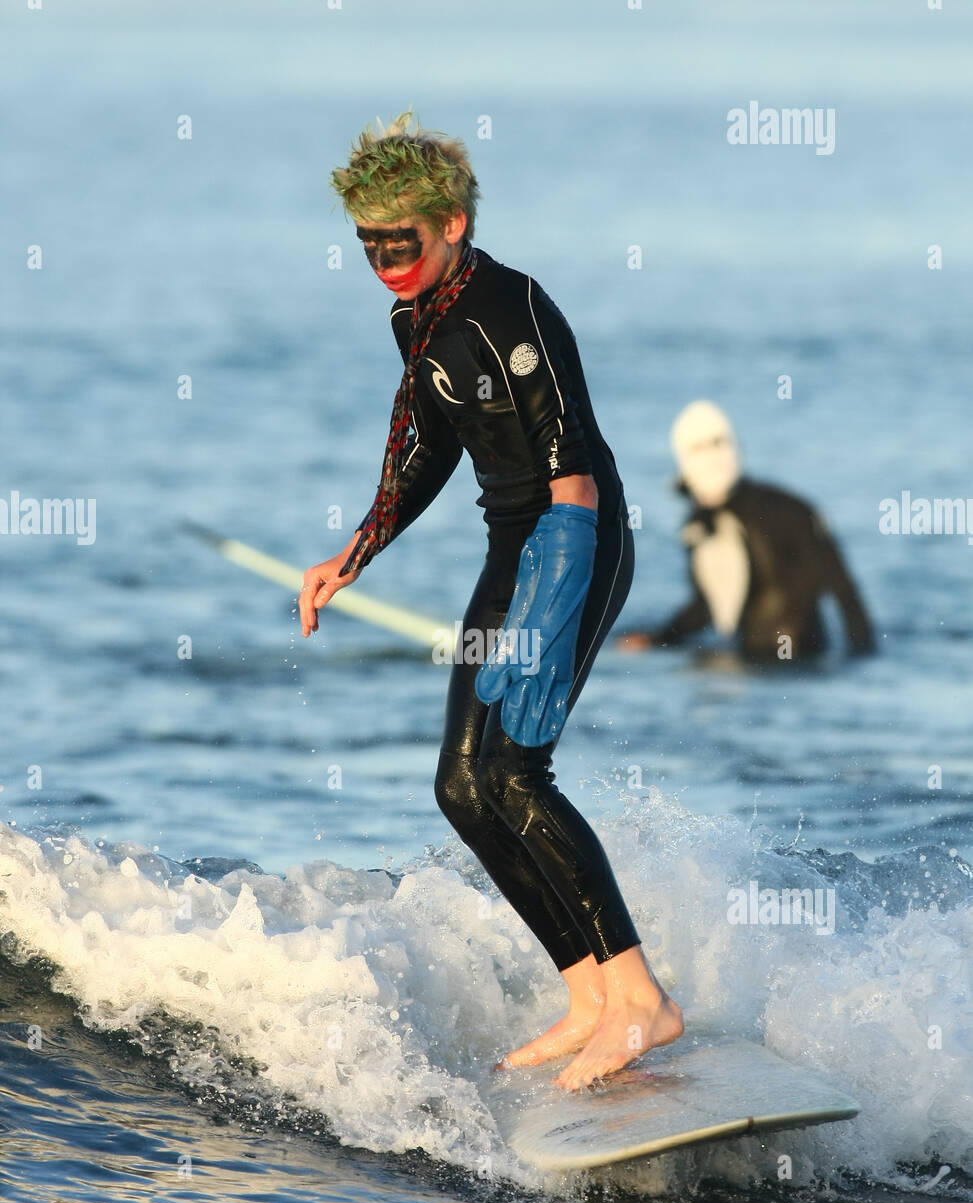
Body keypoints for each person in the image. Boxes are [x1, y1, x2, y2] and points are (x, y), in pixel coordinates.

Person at [299, 112, 682, 1089]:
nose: (384, 260)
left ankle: (642, 999)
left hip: (575, 540)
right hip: (509, 544)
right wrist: (355, 549)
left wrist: (547, 614)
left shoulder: (512, 307)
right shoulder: (414, 317)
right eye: (368, 244)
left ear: (453, 223)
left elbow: (573, 473)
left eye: (401, 241)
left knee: (515, 768)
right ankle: (590, 995)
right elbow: (427, 443)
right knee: (463, 785)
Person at [617, 401, 875, 661]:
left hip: (758, 670)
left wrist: (658, 640)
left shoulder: (707, 526)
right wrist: (864, 662)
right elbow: (847, 597)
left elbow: (709, 608)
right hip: (805, 665)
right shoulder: (793, 508)